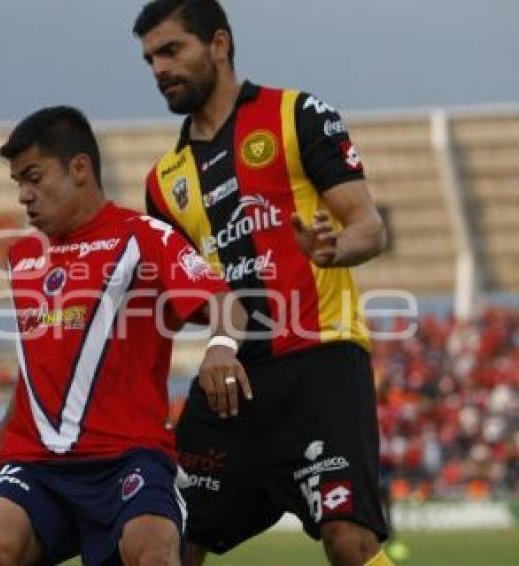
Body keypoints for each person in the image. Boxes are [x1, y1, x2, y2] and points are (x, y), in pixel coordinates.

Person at [132, 1, 391, 565]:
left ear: (219, 44)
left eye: (172, 51)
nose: (159, 69)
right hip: (231, 378)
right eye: (151, 58)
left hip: (320, 360)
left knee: (349, 540)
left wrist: (333, 249)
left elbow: (369, 227)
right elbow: (178, 298)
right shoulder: (163, 182)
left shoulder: (297, 114)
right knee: (167, 540)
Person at [0, 105, 252, 566]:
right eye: (18, 182)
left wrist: (220, 348)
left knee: (153, 550)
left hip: (128, 458)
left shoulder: (143, 236)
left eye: (34, 177)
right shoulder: (23, 257)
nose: (23, 195)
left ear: (80, 168)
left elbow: (226, 301)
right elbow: (39, 368)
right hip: (37, 461)